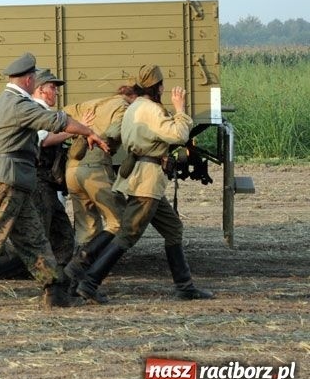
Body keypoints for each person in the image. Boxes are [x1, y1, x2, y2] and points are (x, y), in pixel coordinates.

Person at [0, 53, 108, 310]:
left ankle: (54, 290)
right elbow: (55, 121)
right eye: (35, 78)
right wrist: (88, 130)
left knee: (34, 239)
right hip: (10, 180)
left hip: (10, 180)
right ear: (28, 79)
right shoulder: (19, 105)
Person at [75, 65, 214, 303]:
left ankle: (185, 286)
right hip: (146, 181)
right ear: (158, 87)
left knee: (173, 229)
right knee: (127, 235)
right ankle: (89, 283)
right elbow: (179, 135)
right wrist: (180, 110)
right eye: (162, 85)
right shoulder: (150, 109)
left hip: (144, 179)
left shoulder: (134, 106)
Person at [61, 83, 137, 300]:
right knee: (119, 223)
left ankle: (72, 285)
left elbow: (63, 114)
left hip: (72, 170)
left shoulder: (93, 104)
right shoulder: (123, 107)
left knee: (87, 228)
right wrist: (104, 139)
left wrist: (82, 130)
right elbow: (114, 132)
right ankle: (79, 270)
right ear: (131, 96)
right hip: (94, 169)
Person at [29, 68, 76, 268]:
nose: (56, 92)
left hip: (47, 182)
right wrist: (71, 131)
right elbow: (44, 140)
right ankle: (45, 276)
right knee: (44, 231)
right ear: (40, 89)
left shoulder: (45, 113)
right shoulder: (36, 112)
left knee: (63, 231)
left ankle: (60, 274)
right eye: (52, 87)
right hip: (39, 180)